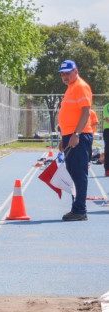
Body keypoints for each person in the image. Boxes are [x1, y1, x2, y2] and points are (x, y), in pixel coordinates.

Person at [57, 60, 93, 221]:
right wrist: (63, 138)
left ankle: (80, 210)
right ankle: (76, 208)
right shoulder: (70, 88)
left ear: (76, 71)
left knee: (78, 174)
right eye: (62, 73)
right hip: (69, 136)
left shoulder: (80, 86)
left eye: (67, 72)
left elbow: (86, 112)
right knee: (72, 174)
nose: (64, 76)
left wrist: (76, 134)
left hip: (79, 136)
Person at [103, 100, 109, 176]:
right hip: (108, 130)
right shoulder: (106, 106)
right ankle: (107, 170)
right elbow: (107, 119)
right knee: (108, 150)